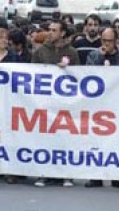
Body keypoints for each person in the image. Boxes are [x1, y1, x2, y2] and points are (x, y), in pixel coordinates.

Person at [31, 19, 80, 188]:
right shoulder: (40, 52)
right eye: (49, 29)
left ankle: (66, 174)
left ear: (63, 33)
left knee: (64, 140)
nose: (50, 32)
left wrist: (67, 70)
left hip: (64, 104)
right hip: (45, 103)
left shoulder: (72, 52)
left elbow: (79, 76)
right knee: (44, 139)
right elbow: (32, 74)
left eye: (54, 30)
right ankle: (44, 173)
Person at [84, 27, 119, 189]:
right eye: (104, 40)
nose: (106, 44)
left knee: (117, 141)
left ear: (116, 41)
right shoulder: (93, 55)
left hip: (117, 107)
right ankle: (95, 177)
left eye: (109, 41)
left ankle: (116, 176)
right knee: (95, 141)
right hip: (98, 107)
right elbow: (88, 75)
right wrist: (100, 57)